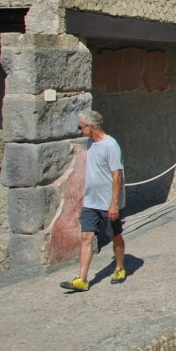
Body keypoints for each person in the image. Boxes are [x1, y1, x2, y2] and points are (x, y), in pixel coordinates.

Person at [60, 110, 127, 292]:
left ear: (90, 127)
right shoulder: (90, 143)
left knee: (115, 236)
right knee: (86, 236)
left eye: (80, 126)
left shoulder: (111, 145)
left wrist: (114, 203)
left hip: (109, 203)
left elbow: (117, 176)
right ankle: (82, 279)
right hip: (91, 201)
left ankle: (119, 267)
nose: (79, 129)